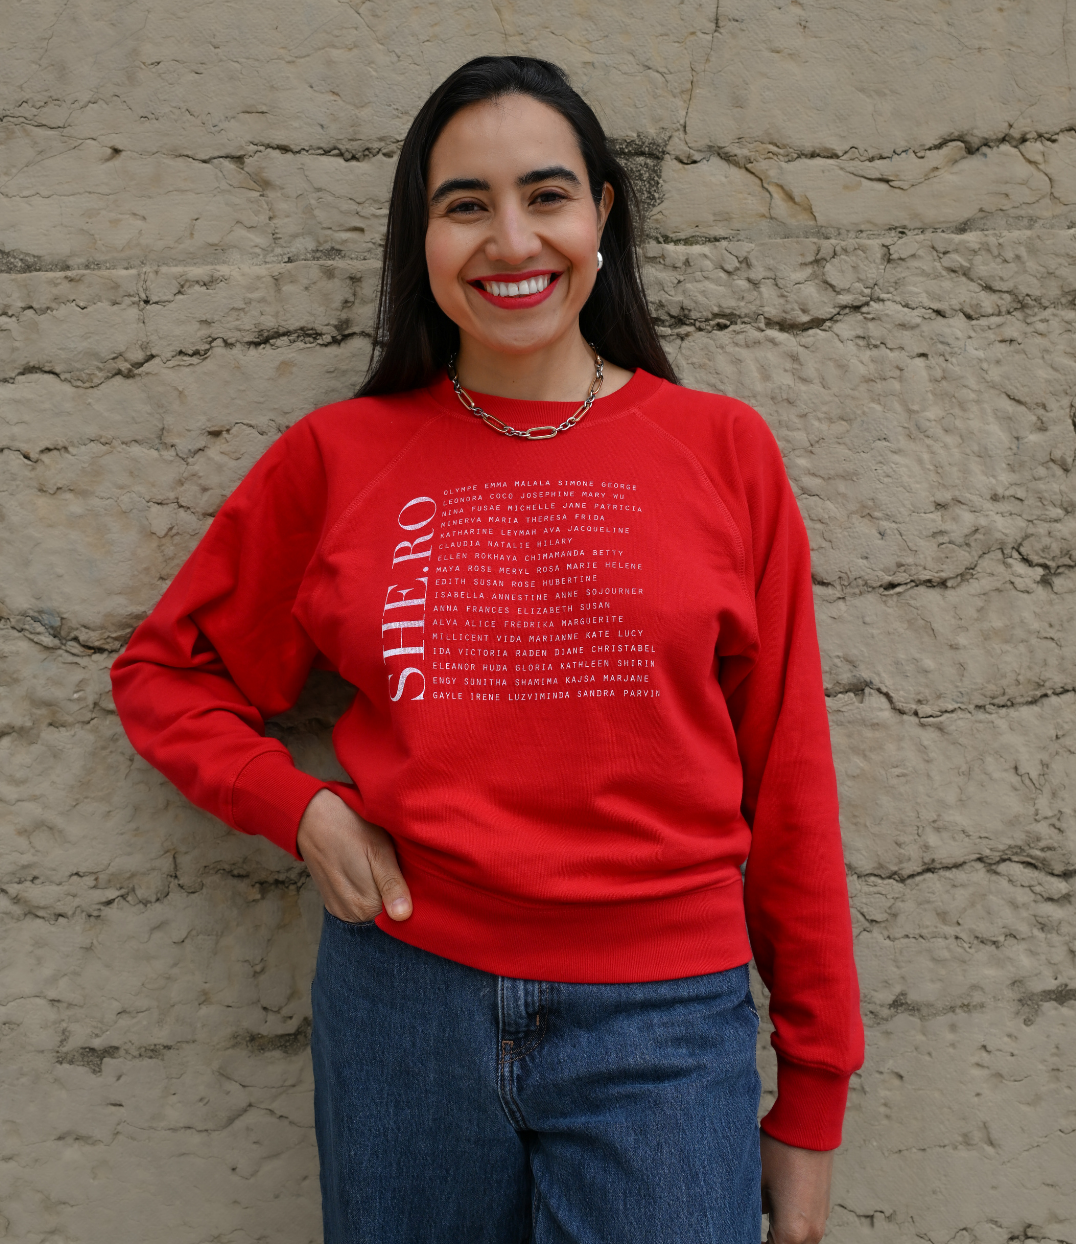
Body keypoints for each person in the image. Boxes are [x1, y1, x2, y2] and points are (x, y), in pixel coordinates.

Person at [111, 55, 864, 1244]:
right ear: (421, 237)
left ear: (601, 213)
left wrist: (810, 1094)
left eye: (545, 195)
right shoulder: (339, 458)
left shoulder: (720, 451)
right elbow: (166, 672)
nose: (511, 241)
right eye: (465, 205)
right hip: (403, 1007)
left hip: (664, 1024)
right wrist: (300, 808)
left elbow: (790, 779)